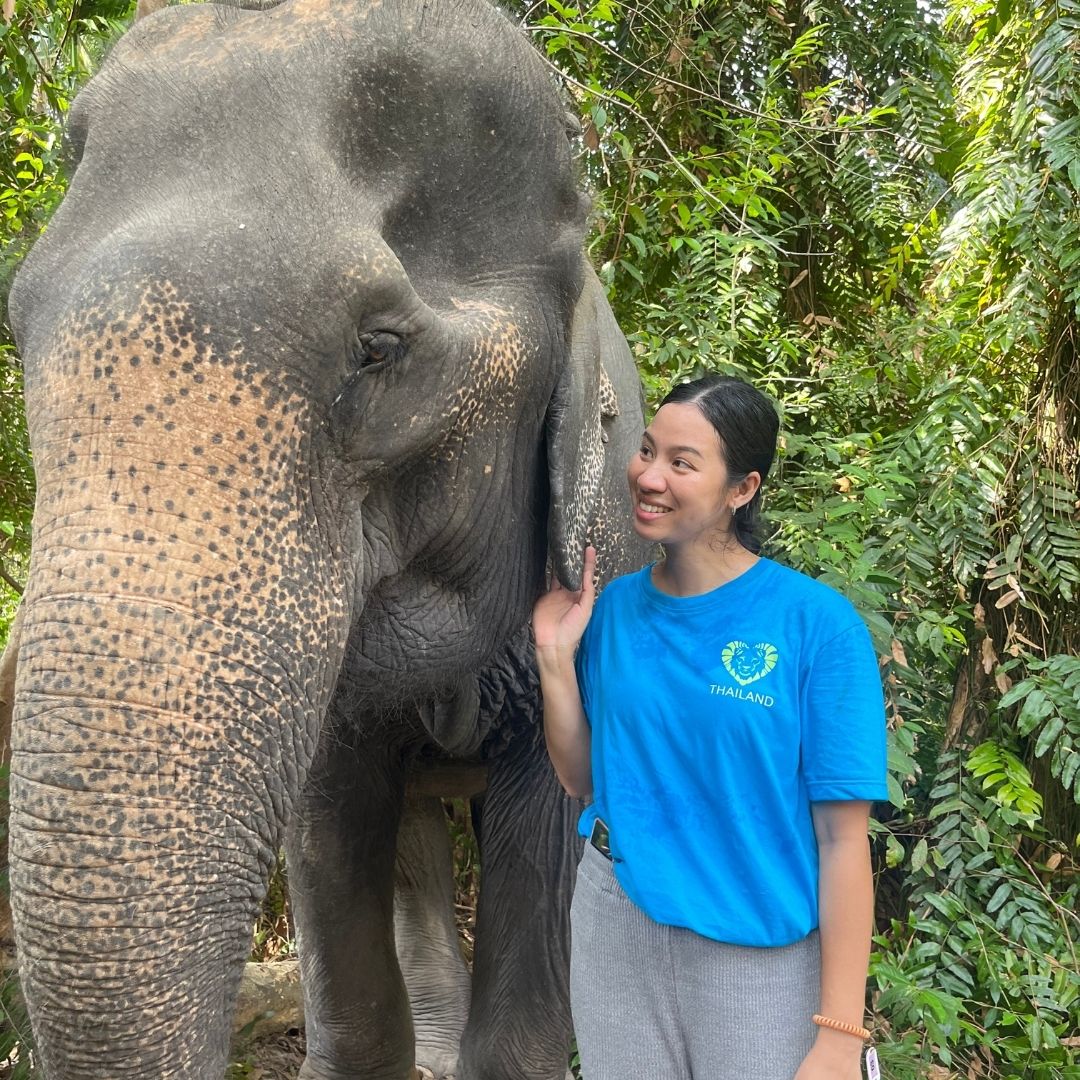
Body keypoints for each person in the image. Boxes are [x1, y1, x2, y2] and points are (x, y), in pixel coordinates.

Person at [532, 374, 887, 1080]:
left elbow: (843, 840)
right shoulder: (615, 610)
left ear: (742, 489)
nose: (649, 476)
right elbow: (581, 778)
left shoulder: (816, 626)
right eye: (646, 451)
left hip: (755, 954)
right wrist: (554, 661)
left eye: (681, 463)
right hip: (618, 922)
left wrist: (840, 1035)